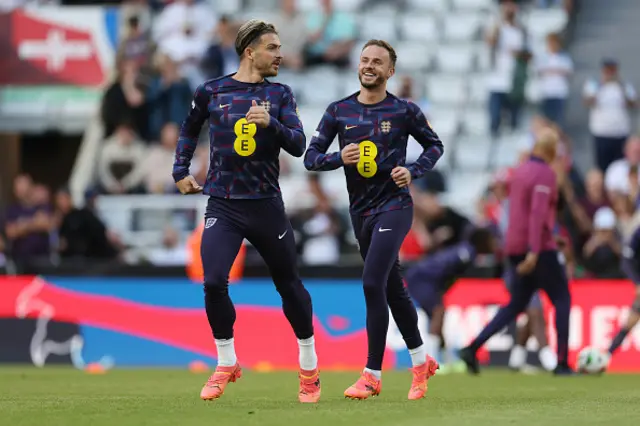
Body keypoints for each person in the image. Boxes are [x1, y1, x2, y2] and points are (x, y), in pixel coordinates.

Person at [172, 19, 320, 403]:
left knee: (289, 286)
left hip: (267, 205)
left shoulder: (282, 95)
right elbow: (189, 130)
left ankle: (309, 366)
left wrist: (271, 123)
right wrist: (180, 171)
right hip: (223, 202)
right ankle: (226, 362)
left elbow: (300, 145)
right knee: (213, 281)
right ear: (250, 51)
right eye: (273, 47)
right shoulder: (212, 91)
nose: (280, 54)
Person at [304, 39, 444, 400]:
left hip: (394, 206)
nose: (369, 66)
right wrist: (339, 158)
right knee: (392, 287)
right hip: (359, 211)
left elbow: (434, 145)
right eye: (364, 60)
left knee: (371, 282)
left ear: (390, 71)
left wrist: (413, 170)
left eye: (377, 62)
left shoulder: (403, 111)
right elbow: (311, 158)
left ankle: (372, 374)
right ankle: (420, 362)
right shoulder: (339, 111)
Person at [458, 128, 574, 375]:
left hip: (514, 246)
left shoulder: (519, 172)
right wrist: (535, 249)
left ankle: (472, 347)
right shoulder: (545, 174)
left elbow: (521, 213)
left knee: (516, 304)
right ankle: (562, 362)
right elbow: (538, 213)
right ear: (552, 151)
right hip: (537, 249)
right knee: (562, 299)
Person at [404, 227, 497, 368]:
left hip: (423, 278)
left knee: (437, 316)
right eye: (491, 240)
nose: (494, 244)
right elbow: (444, 266)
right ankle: (431, 361)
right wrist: (439, 287)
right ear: (482, 241)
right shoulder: (466, 253)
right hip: (423, 278)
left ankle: (442, 359)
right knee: (438, 312)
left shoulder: (467, 252)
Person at [607, 211, 640, 359]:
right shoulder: (638, 234)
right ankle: (606, 356)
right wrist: (638, 282)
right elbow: (626, 261)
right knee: (630, 321)